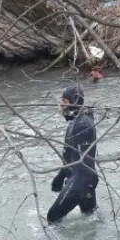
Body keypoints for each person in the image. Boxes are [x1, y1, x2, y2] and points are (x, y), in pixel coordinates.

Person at [47, 85, 99, 222]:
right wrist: (61, 175)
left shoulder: (83, 125)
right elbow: (69, 155)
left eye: (65, 101)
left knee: (52, 218)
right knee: (91, 219)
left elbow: (82, 163)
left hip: (81, 180)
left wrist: (75, 186)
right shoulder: (76, 121)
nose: (61, 105)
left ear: (75, 101)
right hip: (82, 179)